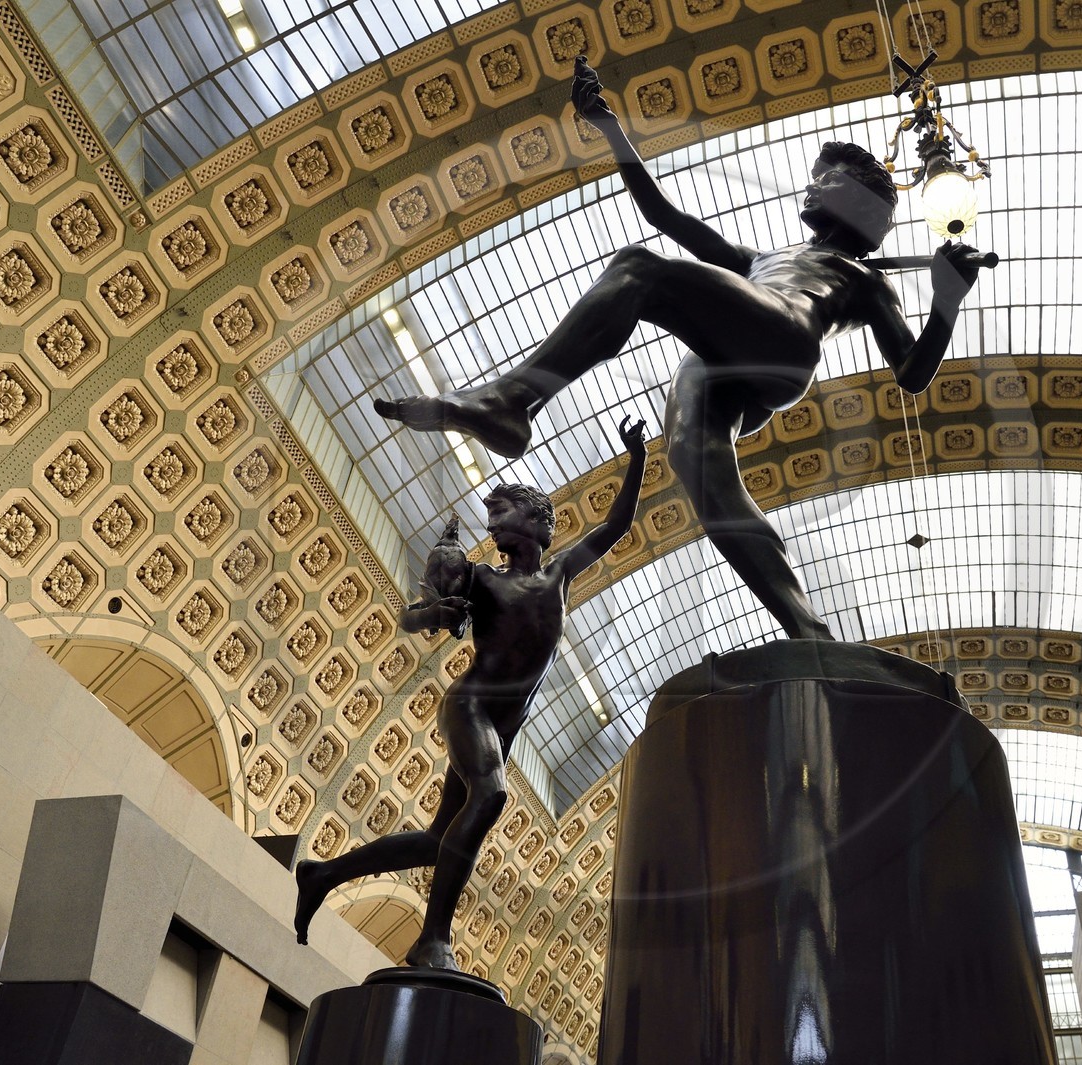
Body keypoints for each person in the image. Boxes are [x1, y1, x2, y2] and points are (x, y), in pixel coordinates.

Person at [377, 57, 984, 641]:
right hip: (725, 363)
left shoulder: (868, 282)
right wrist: (610, 128)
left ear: (861, 203)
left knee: (640, 270)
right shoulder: (763, 260)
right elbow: (661, 212)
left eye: (829, 178)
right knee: (711, 489)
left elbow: (911, 372)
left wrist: (946, 301)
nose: (813, 184)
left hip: (783, 338)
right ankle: (808, 628)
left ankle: (513, 400)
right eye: (815, 174)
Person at [294, 415, 649, 967]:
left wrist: (637, 459)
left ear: (537, 521)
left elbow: (616, 526)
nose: (493, 522)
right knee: (491, 795)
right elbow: (414, 619)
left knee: (441, 838)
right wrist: (435, 610)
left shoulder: (558, 575)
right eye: (489, 515)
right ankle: (432, 939)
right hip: (471, 708)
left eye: (503, 512)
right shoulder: (482, 577)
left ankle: (323, 874)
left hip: (505, 727)